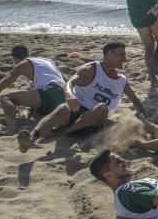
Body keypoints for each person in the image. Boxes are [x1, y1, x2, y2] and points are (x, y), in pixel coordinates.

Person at [17, 42, 145, 152]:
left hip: (94, 121)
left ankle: (65, 131)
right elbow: (70, 83)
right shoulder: (92, 69)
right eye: (122, 55)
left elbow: (136, 101)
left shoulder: (122, 81)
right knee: (63, 108)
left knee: (101, 108)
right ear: (110, 55)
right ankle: (31, 138)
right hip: (77, 109)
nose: (125, 58)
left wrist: (144, 115)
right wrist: (70, 95)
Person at [0, 45, 66, 133]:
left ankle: (11, 128)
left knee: (5, 98)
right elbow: (65, 79)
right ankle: (23, 118)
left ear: (14, 58)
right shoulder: (47, 61)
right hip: (63, 97)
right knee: (25, 103)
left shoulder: (23, 64)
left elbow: (3, 84)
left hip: (49, 92)